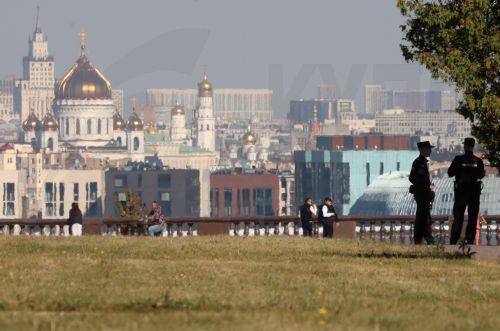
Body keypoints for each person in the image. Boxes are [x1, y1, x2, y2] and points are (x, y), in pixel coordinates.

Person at [448, 138, 485, 245]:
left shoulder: (458, 159)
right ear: (473, 146)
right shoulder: (478, 161)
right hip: (474, 192)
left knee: (458, 216)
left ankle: (454, 239)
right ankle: (469, 239)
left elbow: (450, 173)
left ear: (465, 146)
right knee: (472, 217)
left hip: (461, 192)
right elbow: (481, 175)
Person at [409, 141, 435, 245]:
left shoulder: (423, 162)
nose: (430, 150)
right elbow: (413, 178)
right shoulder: (419, 163)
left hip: (424, 193)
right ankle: (428, 239)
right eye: (428, 148)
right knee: (425, 217)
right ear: (422, 150)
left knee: (421, 217)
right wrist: (424, 188)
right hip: (422, 194)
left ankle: (419, 239)